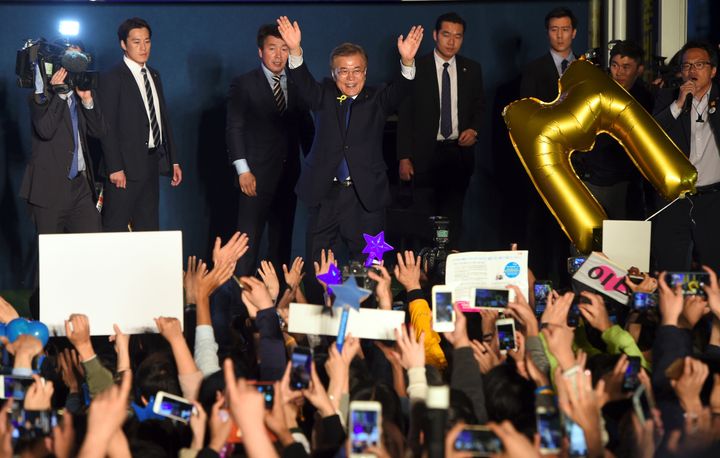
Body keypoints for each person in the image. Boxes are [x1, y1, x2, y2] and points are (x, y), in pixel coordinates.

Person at [275, 17, 423, 270]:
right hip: (325, 195)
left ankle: (369, 307)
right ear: (334, 74)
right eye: (343, 71)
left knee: (371, 266)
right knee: (321, 267)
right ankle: (326, 305)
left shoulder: (378, 97)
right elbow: (302, 82)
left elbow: (402, 88)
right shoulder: (323, 94)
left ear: (365, 72)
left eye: (357, 70)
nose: (351, 77)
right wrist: (295, 50)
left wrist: (408, 61)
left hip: (366, 197)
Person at [226, 24, 314, 277]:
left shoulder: (298, 84)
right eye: (272, 48)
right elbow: (234, 128)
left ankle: (277, 307)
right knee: (246, 245)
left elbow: (307, 129)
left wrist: (314, 169)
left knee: (281, 244)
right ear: (260, 52)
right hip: (254, 178)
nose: (278, 55)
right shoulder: (243, 84)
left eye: (284, 49)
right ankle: (240, 312)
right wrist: (243, 170)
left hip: (290, 178)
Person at [396, 12, 484, 249]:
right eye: (446, 35)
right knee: (425, 218)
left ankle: (447, 271)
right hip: (424, 155)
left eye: (458, 36)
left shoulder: (472, 69)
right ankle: (421, 273)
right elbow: (405, 115)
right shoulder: (417, 67)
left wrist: (474, 130)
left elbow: (479, 107)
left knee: (452, 219)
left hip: (457, 154)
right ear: (435, 35)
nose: (451, 41)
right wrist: (404, 157)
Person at [98, 17, 182, 232]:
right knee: (115, 228)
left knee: (148, 228)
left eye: (147, 41)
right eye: (136, 42)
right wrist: (115, 167)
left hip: (151, 163)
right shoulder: (112, 77)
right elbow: (106, 127)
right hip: (123, 169)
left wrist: (173, 160)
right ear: (123, 44)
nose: (143, 47)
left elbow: (162, 119)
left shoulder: (154, 74)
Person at [518, 6, 579, 285]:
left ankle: (571, 290)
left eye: (565, 29)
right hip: (544, 163)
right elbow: (527, 119)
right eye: (554, 29)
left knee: (573, 231)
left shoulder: (587, 70)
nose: (560, 35)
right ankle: (539, 290)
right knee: (540, 229)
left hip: (580, 165)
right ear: (547, 33)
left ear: (574, 32)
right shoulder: (532, 70)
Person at [20, 41, 104, 235]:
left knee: (93, 245)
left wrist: (87, 101)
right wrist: (60, 95)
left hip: (80, 187)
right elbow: (45, 130)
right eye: (70, 58)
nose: (74, 66)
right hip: (49, 189)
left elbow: (99, 132)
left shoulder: (83, 92)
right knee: (51, 258)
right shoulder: (41, 94)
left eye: (79, 59)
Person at [652, 41, 720, 272]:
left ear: (713, 71)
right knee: (672, 269)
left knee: (713, 270)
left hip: (713, 199)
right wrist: (679, 104)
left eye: (699, 64)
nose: (692, 71)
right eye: (687, 65)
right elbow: (652, 135)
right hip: (676, 200)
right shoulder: (667, 98)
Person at [573, 40, 654, 220]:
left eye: (626, 67)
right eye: (615, 65)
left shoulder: (645, 99)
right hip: (591, 179)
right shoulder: (596, 92)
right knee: (590, 240)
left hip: (626, 182)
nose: (619, 72)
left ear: (639, 70)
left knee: (622, 241)